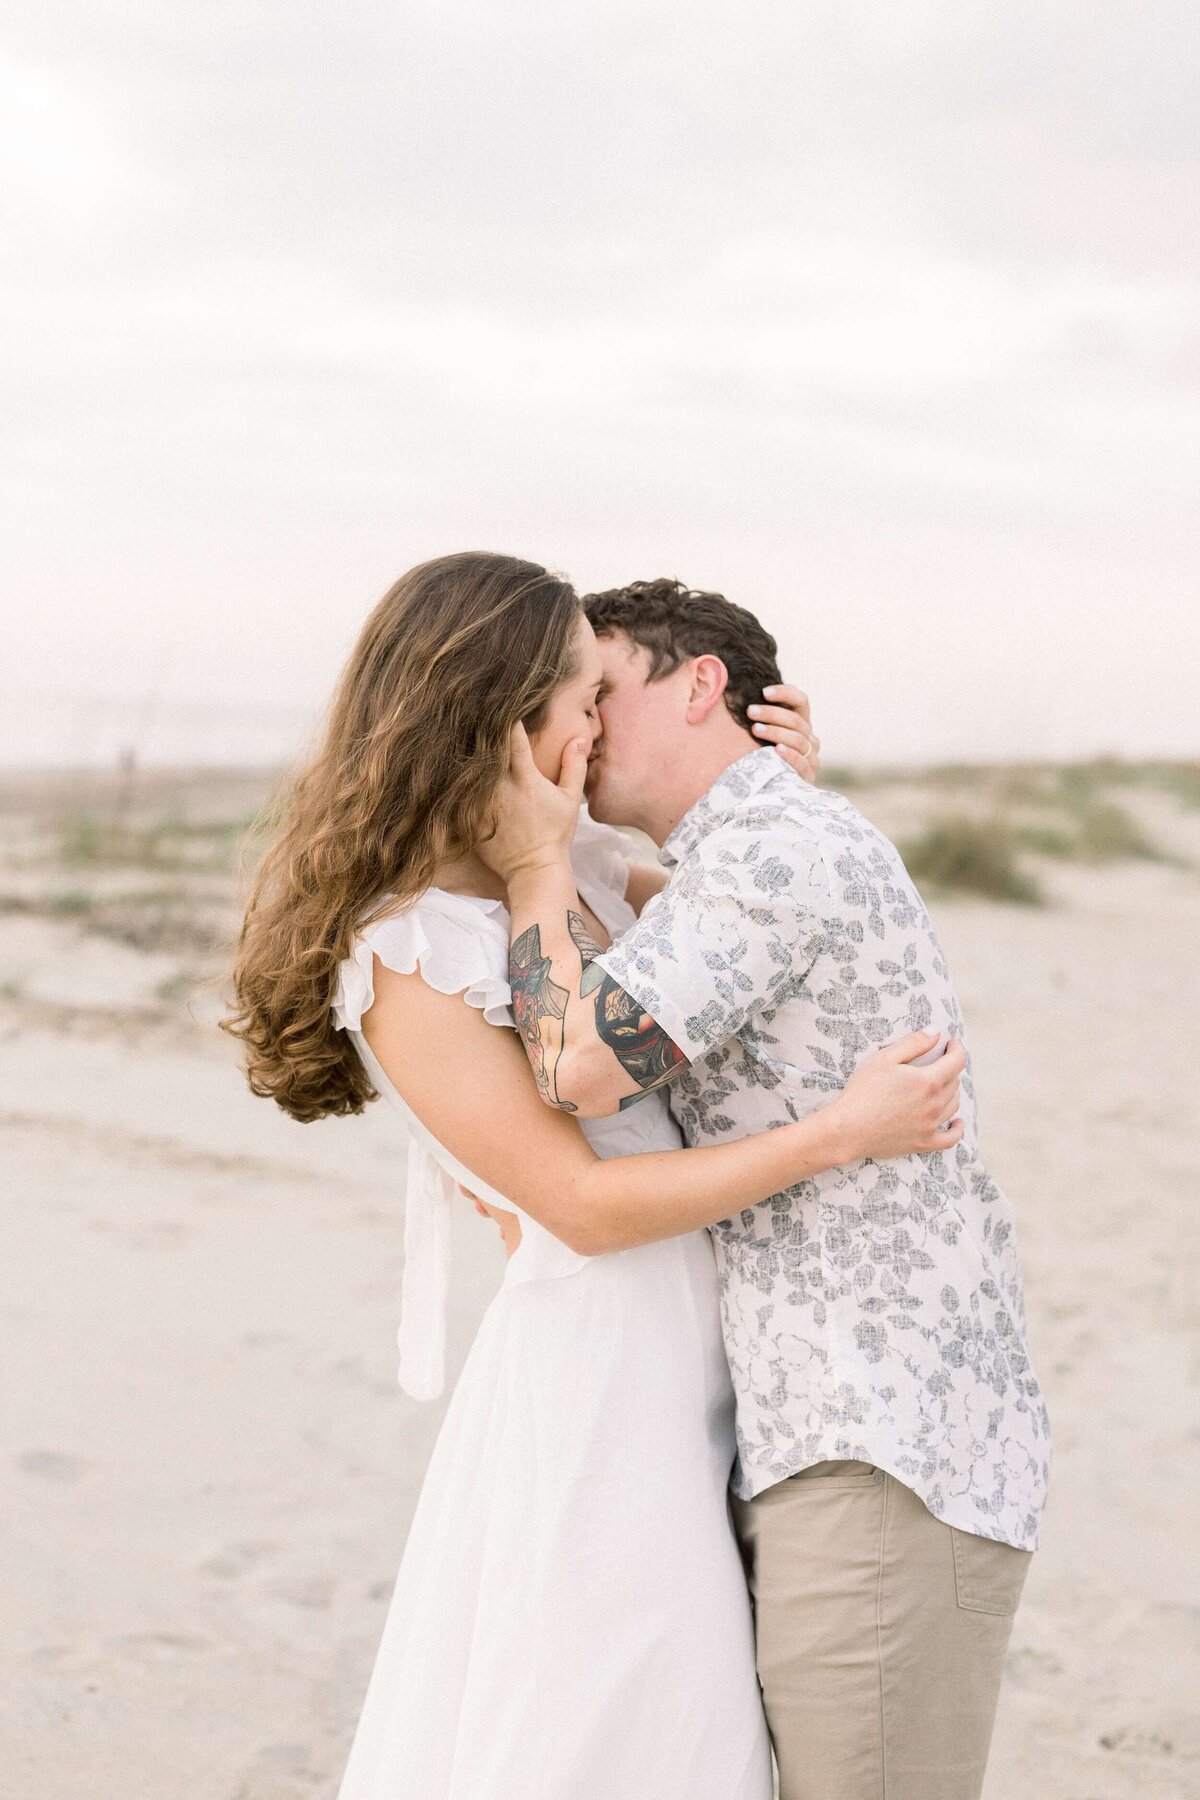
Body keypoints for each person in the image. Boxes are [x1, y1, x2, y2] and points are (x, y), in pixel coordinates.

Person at [224, 552, 967, 1800]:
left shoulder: (589, 874)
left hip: (712, 1370)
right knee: (625, 1728)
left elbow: (748, 936)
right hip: (601, 1382)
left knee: (692, 1734)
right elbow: (580, 1205)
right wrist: (839, 1133)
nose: (600, 722)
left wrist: (767, 799)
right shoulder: (401, 954)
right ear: (505, 724)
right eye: (583, 697)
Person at [481, 577, 1052, 1800]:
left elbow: (579, 1063)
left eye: (600, 691)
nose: (576, 728)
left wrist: (533, 865)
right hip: (816, 1431)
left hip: (882, 1443)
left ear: (702, 688)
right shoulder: (753, 849)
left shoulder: (777, 848)